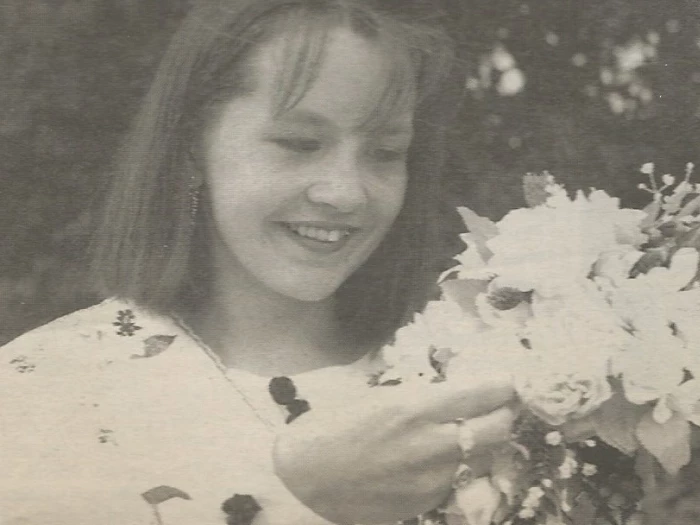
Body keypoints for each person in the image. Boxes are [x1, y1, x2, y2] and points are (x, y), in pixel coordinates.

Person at [0, 1, 517, 524]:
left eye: (385, 152)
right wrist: (292, 504)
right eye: (299, 143)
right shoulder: (44, 393)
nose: (346, 192)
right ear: (191, 146)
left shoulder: (470, 374)